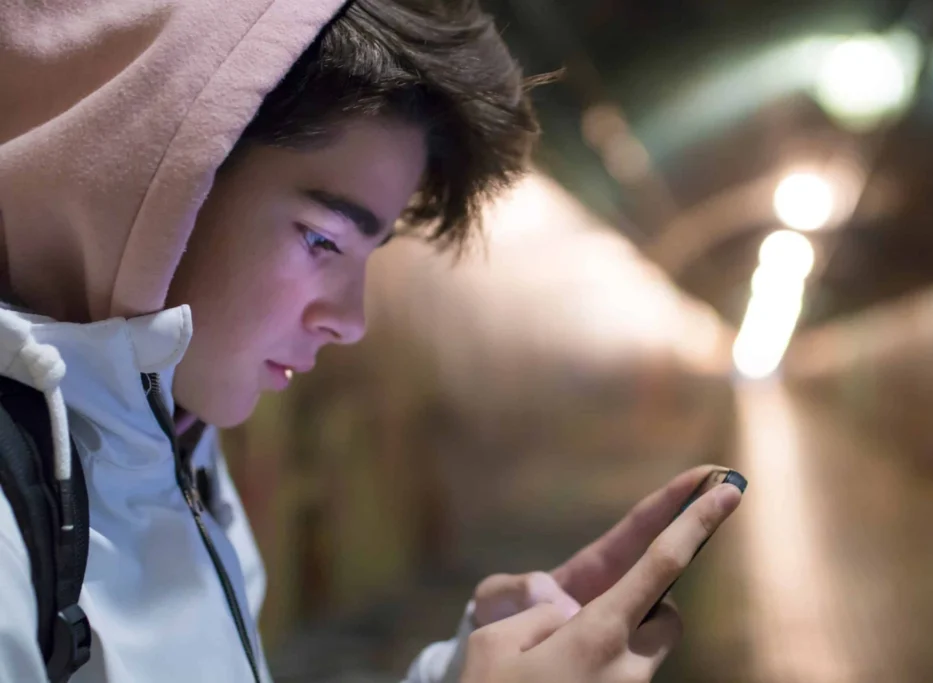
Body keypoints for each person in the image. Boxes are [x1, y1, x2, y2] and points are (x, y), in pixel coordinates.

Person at [0, 0, 743, 681]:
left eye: (369, 254)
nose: (351, 320)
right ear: (159, 175)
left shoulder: (167, 448)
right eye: (323, 240)